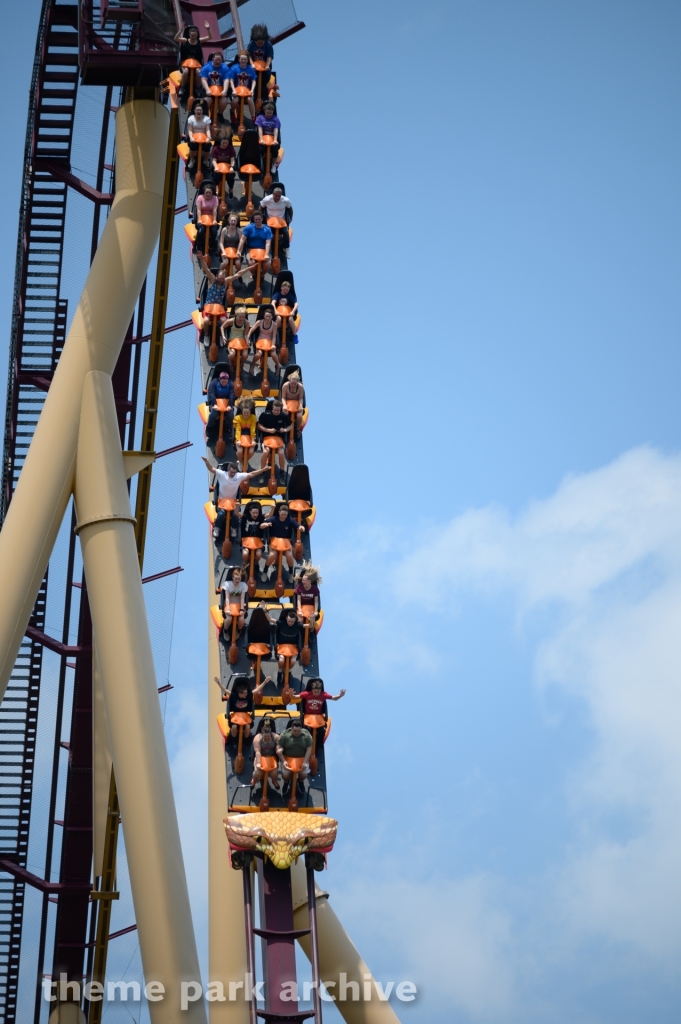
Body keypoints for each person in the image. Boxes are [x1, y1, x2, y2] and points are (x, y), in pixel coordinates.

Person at [201, 458, 268, 539]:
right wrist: (207, 462)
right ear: (228, 470)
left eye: (234, 472)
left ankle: (234, 528)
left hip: (233, 502)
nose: (233, 474)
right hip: (222, 501)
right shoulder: (222, 474)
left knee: (235, 515)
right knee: (221, 514)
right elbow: (211, 469)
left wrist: (262, 470)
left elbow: (251, 474)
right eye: (231, 472)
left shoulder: (238, 476)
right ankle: (217, 528)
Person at [293, 677, 346, 751]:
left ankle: (318, 746)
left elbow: (334, 698)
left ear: (320, 691)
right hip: (308, 715)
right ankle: (306, 744)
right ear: (312, 690)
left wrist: (340, 695)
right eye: (315, 692)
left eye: (318, 692)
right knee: (307, 730)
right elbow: (296, 697)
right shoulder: (307, 694)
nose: (316, 694)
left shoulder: (323, 695)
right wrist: (290, 695)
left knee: (321, 731)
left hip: (319, 716)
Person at [260, 502, 302, 578]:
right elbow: (262, 525)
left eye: (285, 515)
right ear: (279, 512)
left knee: (289, 555)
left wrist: (301, 528)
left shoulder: (289, 520)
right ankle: (265, 571)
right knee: (272, 555)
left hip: (286, 542)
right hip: (274, 541)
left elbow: (298, 526)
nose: (283, 516)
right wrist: (265, 525)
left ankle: (290, 572)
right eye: (282, 514)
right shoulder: (273, 518)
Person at [176, 23, 211, 95]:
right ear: (189, 35)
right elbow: (176, 39)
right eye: (192, 36)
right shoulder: (185, 41)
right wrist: (180, 31)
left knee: (198, 72)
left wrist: (208, 29)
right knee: (185, 72)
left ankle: (198, 87)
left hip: (197, 63)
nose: (193, 37)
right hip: (185, 63)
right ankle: (182, 87)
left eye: (195, 36)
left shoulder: (199, 41)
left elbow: (209, 37)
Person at [257, 399, 291, 473]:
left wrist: (285, 430)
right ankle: (262, 471)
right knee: (266, 452)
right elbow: (259, 426)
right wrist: (268, 430)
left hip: (279, 439)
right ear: (272, 408)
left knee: (281, 452)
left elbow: (291, 426)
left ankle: (282, 471)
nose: (276, 412)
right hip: (267, 438)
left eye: (278, 410)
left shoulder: (284, 416)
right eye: (275, 410)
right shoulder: (265, 415)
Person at [277, 718, 313, 783]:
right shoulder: (285, 734)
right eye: (294, 731)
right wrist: (283, 761)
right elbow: (278, 746)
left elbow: (309, 750)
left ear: (301, 729)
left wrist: (305, 762)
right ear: (291, 728)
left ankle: (300, 781)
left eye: (298, 731)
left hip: (302, 758)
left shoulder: (307, 735)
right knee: (285, 775)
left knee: (304, 775)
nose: (296, 732)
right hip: (287, 758)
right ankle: (286, 782)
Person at [246, 307, 280, 375]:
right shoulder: (259, 322)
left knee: (273, 354)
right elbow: (251, 330)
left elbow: (274, 336)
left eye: (269, 316)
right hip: (260, 340)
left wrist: (273, 344)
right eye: (266, 316)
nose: (267, 318)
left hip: (269, 340)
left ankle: (278, 366)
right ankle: (252, 365)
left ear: (272, 317)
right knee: (259, 354)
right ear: (264, 316)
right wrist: (247, 338)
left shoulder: (274, 324)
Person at [238, 209, 272, 274]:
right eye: (255, 219)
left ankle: (262, 275)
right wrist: (239, 251)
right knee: (251, 263)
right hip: (251, 249)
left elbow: (268, 243)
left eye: (259, 219)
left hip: (263, 250)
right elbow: (242, 239)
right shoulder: (249, 227)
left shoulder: (267, 229)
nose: (257, 221)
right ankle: (254, 275)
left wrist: (267, 254)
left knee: (268, 263)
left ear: (262, 219)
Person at [260, 185, 292, 251]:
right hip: (270, 220)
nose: (277, 198)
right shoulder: (267, 199)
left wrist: (290, 218)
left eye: (279, 196)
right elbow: (261, 207)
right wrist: (260, 216)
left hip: (281, 220)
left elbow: (290, 209)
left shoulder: (285, 200)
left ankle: (286, 248)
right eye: (276, 196)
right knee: (268, 232)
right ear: (273, 194)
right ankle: (266, 247)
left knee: (286, 232)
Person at [227, 51, 257, 122]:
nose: (243, 61)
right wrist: (233, 90)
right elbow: (231, 80)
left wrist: (252, 90)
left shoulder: (250, 69)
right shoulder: (234, 68)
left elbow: (253, 80)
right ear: (239, 60)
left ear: (247, 60)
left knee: (250, 99)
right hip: (237, 91)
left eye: (245, 59)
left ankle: (253, 116)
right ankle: (232, 112)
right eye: (242, 59)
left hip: (246, 91)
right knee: (235, 100)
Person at [206, 370, 235, 442]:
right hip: (216, 403)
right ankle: (209, 427)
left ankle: (231, 428)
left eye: (226, 382)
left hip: (227, 403)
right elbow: (212, 393)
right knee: (214, 414)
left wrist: (230, 405)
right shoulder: (214, 382)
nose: (224, 383)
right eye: (223, 382)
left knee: (230, 414)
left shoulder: (231, 383)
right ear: (220, 379)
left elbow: (232, 395)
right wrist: (214, 404)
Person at [251, 716, 280, 789]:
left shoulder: (276, 737)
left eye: (268, 736)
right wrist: (258, 763)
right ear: (262, 734)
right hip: (261, 757)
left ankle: (274, 781)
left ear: (271, 733)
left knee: (274, 773)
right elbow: (257, 752)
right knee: (258, 773)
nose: (266, 737)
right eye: (265, 736)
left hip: (271, 757)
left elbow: (280, 745)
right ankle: (253, 780)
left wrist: (279, 749)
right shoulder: (257, 738)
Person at [200, 51, 231, 118]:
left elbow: (226, 79)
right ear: (213, 59)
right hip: (209, 90)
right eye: (216, 59)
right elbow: (203, 79)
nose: (218, 61)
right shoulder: (206, 67)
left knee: (224, 101)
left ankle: (220, 114)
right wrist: (207, 90)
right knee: (207, 101)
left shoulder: (225, 67)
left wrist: (225, 90)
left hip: (220, 90)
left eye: (220, 60)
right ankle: (205, 115)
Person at [221, 567, 248, 637]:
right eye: (236, 579)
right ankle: (225, 631)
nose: (237, 581)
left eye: (239, 579)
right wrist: (227, 608)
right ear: (232, 578)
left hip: (239, 604)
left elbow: (242, 598)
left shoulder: (243, 585)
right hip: (229, 604)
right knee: (229, 619)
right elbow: (227, 597)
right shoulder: (227, 584)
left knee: (241, 619)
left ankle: (238, 631)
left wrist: (242, 609)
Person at [221, 305, 250, 371]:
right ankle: (231, 363)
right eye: (240, 317)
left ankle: (241, 363)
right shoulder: (231, 321)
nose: (241, 319)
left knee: (245, 355)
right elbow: (222, 327)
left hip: (242, 341)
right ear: (236, 315)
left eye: (243, 317)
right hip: (232, 341)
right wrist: (223, 336)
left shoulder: (246, 322)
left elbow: (245, 334)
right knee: (232, 354)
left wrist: (247, 340)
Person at [194, 183, 219, 254]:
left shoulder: (215, 198)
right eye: (206, 192)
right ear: (204, 192)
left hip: (211, 218)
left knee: (214, 231)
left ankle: (211, 244)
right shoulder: (200, 198)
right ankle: (198, 245)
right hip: (201, 217)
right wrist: (199, 219)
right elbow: (198, 209)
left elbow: (215, 210)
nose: (208, 194)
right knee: (201, 230)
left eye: (210, 192)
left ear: (212, 192)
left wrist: (214, 220)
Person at [186, 102, 212, 172]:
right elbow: (190, 130)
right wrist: (191, 137)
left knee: (207, 147)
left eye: (200, 110)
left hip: (203, 138)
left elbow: (208, 130)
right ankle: (192, 160)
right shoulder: (191, 118)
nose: (199, 111)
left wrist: (208, 137)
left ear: (202, 111)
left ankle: (206, 160)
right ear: (194, 111)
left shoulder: (206, 118)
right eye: (197, 110)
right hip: (194, 138)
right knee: (192, 146)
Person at [254, 101, 281, 168]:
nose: (269, 114)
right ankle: (260, 162)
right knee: (260, 149)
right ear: (265, 111)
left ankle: (274, 164)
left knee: (275, 150)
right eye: (267, 113)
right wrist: (261, 139)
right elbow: (259, 129)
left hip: (272, 139)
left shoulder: (275, 119)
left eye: (270, 113)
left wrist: (275, 140)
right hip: (263, 138)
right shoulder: (260, 118)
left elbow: (276, 129)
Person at [233, 399, 257, 471]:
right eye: (244, 413)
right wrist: (238, 440)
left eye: (247, 413)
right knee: (239, 451)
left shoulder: (253, 417)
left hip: (249, 436)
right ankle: (241, 462)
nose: (246, 414)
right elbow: (238, 430)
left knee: (251, 452)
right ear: (242, 412)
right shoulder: (237, 418)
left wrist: (253, 440)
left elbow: (253, 429)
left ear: (250, 412)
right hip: (240, 436)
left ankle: (244, 462)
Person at [211, 130, 236, 197]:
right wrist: (216, 167)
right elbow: (214, 160)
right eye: (223, 143)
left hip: (227, 168)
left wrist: (232, 167)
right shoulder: (216, 149)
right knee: (216, 177)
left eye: (226, 143)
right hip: (218, 168)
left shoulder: (231, 149)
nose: (225, 145)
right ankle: (214, 188)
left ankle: (230, 189)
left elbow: (232, 159)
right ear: (220, 142)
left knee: (231, 176)